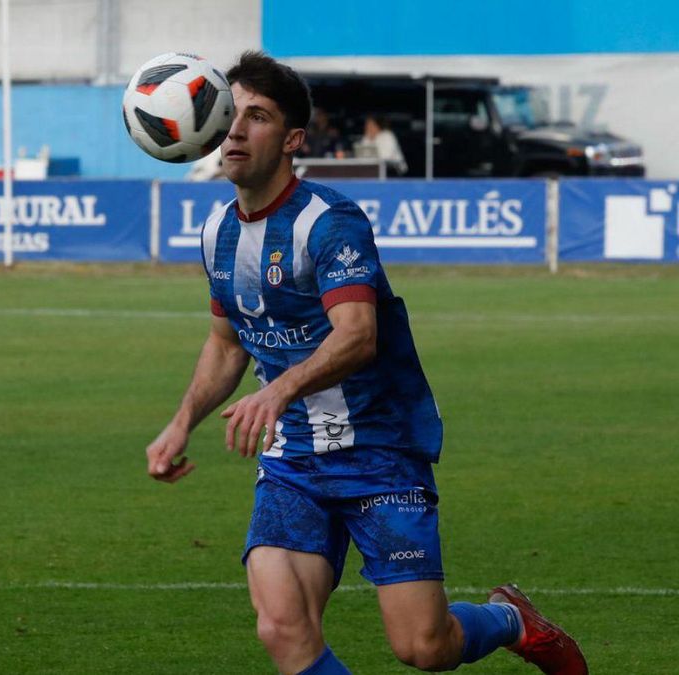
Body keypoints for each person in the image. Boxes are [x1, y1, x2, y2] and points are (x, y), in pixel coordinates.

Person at [144, 51, 586, 675]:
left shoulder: (330, 223)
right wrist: (181, 420)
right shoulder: (217, 230)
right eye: (228, 115)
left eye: (258, 117)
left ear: (294, 139)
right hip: (294, 456)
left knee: (424, 649)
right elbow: (226, 342)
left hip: (379, 448)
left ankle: (512, 619)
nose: (236, 131)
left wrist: (276, 392)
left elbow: (357, 337)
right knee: (281, 627)